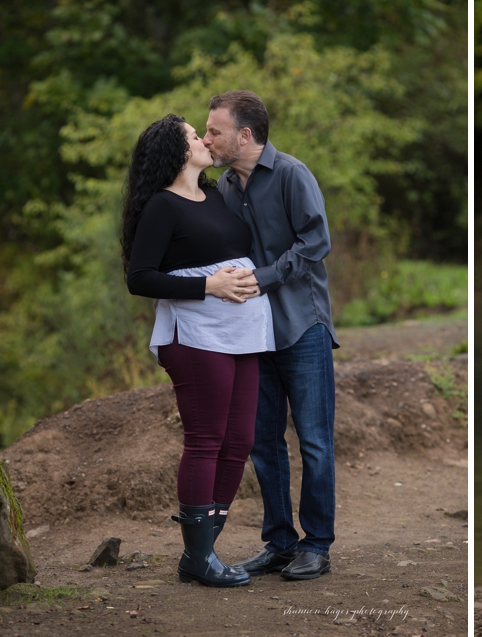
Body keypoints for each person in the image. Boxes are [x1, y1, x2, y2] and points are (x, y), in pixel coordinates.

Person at [122, 114, 274, 587]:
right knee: (206, 440)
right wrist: (210, 285)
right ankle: (199, 557)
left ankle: (205, 548)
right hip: (196, 336)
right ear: (176, 150)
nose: (205, 140)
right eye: (195, 135)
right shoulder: (162, 207)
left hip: (242, 333)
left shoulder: (213, 195)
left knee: (239, 440)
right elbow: (140, 277)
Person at [205, 90, 342, 581]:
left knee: (315, 442)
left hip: (302, 326)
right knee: (264, 443)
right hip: (252, 335)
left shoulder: (291, 174)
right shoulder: (223, 188)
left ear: (245, 135)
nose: (208, 138)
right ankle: (280, 544)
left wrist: (263, 277)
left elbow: (316, 242)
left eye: (215, 131)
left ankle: (318, 546)